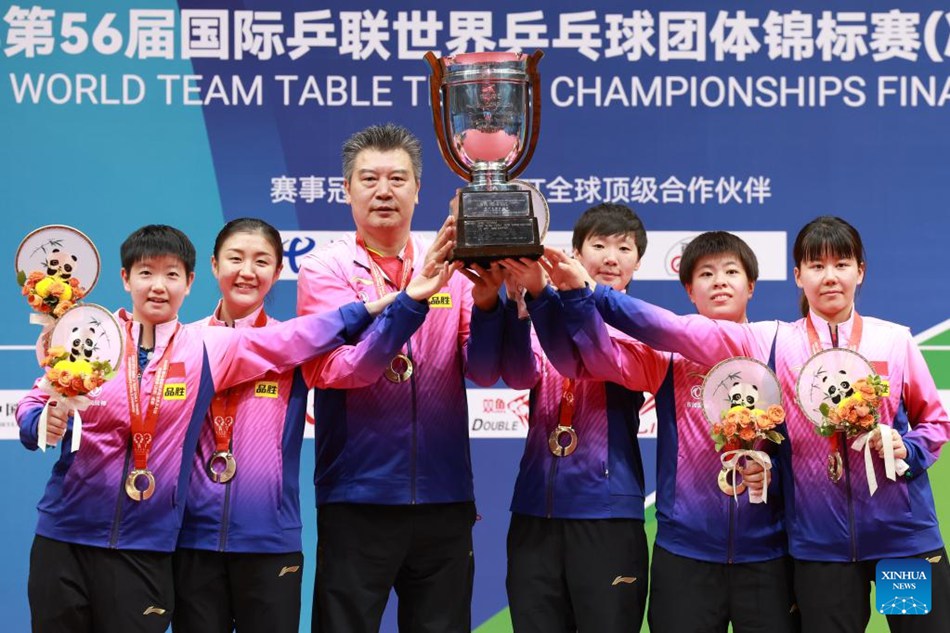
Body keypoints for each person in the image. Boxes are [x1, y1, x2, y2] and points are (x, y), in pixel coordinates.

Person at [545, 216, 950, 633]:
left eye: (842, 264)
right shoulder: (768, 340)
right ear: (797, 276)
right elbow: (672, 329)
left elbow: (934, 422)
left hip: (902, 541)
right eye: (816, 266)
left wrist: (910, 451)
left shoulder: (894, 340)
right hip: (820, 550)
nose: (829, 277)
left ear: (860, 271)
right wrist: (593, 295)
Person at [15, 224, 410, 633]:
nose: (157, 286)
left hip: (145, 547)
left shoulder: (206, 346)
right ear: (125, 278)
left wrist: (374, 308)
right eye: (145, 273)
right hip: (65, 535)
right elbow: (35, 402)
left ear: (189, 283)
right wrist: (37, 422)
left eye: (171, 275)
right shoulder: (92, 338)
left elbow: (295, 336)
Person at [539, 230, 798, 632]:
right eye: (706, 274)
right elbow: (596, 358)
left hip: (766, 553)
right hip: (684, 554)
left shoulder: (773, 343)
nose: (720, 281)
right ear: (689, 290)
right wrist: (562, 297)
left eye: (731, 271)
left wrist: (772, 475)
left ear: (752, 286)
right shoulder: (667, 356)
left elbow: (798, 450)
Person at [296, 123, 500, 632]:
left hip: (444, 496)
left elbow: (485, 368)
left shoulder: (448, 263)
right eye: (369, 179)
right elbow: (340, 370)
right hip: (357, 496)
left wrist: (494, 301)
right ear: (346, 190)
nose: (383, 191)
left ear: (417, 189)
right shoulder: (326, 268)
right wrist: (411, 301)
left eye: (397, 178)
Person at [481, 203, 652, 632]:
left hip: (607, 515)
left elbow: (591, 356)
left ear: (637, 262)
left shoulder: (640, 328)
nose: (611, 257)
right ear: (575, 253)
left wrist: (549, 298)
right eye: (598, 245)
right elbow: (519, 375)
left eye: (624, 248)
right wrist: (519, 308)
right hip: (535, 512)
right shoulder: (542, 317)